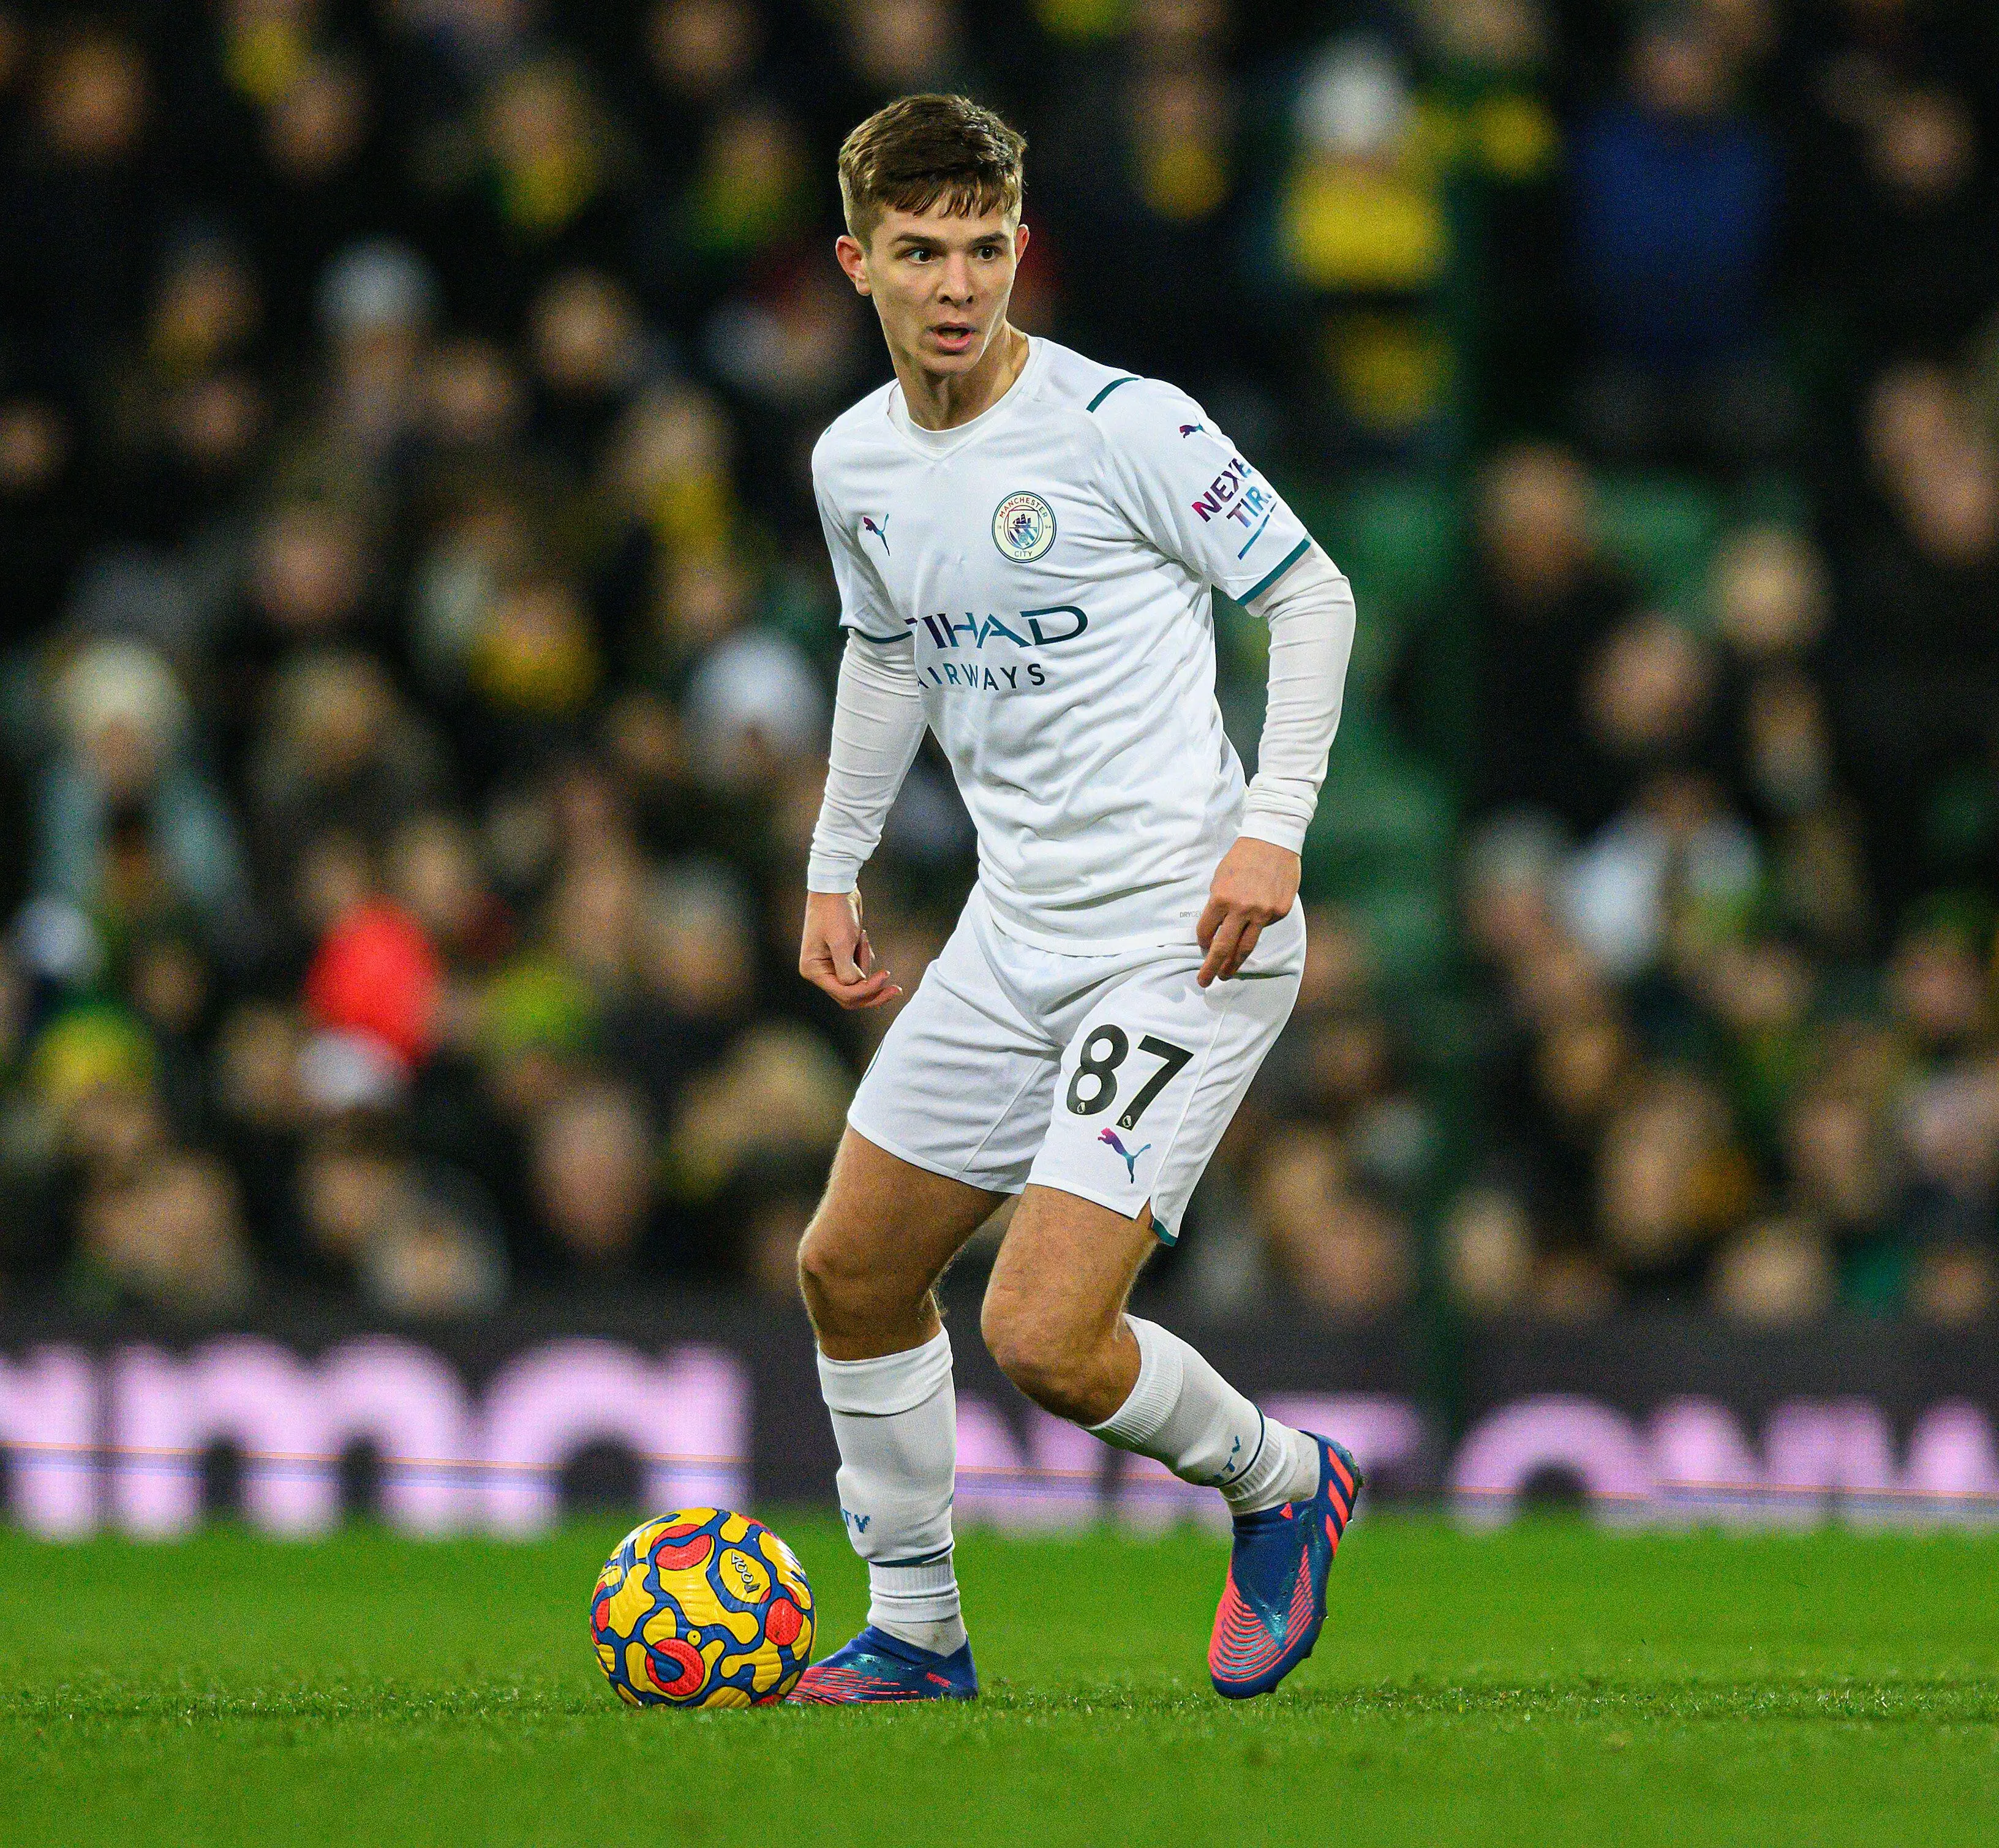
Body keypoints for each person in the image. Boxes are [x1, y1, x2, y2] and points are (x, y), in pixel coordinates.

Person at [788, 96, 1362, 1704]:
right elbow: (886, 653)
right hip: (1010, 935)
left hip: (1190, 933)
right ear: (858, 264)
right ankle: (917, 1633)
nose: (957, 285)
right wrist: (836, 860)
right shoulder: (855, 464)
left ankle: (1280, 1483)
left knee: (1042, 1337)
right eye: (920, 254)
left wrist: (1277, 828)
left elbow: (1312, 596)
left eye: (984, 249)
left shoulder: (1128, 425)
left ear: (1017, 250)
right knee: (850, 1269)